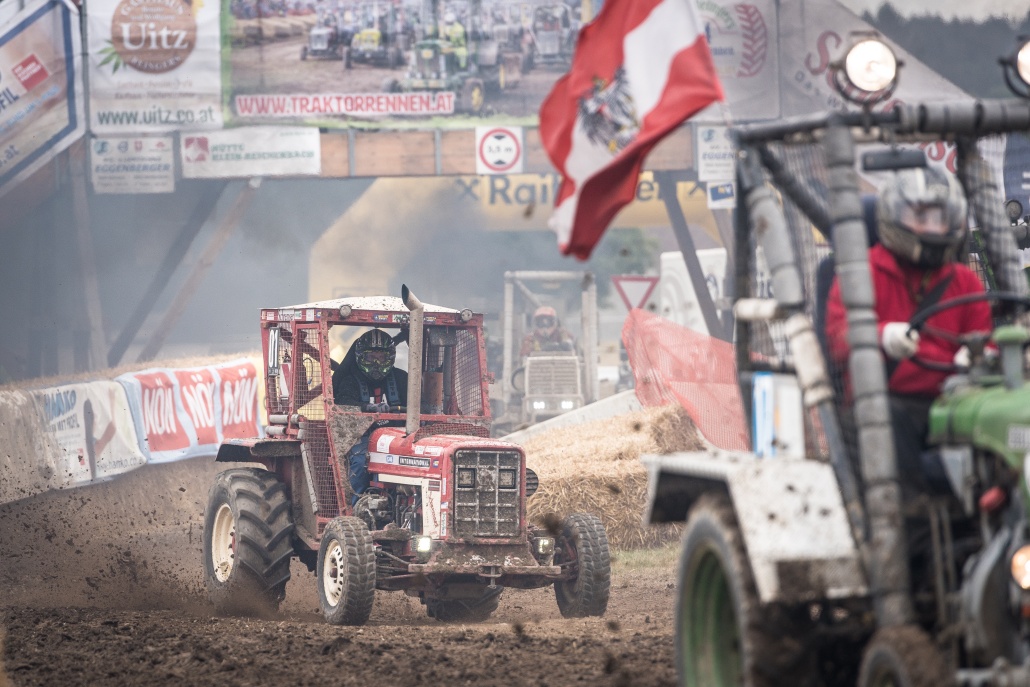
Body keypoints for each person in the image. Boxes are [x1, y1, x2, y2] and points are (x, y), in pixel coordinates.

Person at [824, 166, 991, 493]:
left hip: (953, 403)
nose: (932, 227)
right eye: (921, 217)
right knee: (888, 417)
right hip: (883, 404)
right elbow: (837, 339)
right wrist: (881, 336)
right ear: (893, 216)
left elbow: (985, 342)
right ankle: (911, 515)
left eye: (940, 218)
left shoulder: (965, 281)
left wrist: (979, 357)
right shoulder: (862, 272)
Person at [332, 329, 408, 503]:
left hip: (400, 437)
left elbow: (421, 404)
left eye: (381, 357)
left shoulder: (401, 378)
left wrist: (399, 410)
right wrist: (367, 407)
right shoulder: (350, 380)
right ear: (360, 357)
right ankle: (354, 507)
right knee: (360, 462)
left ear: (390, 357)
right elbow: (343, 402)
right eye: (371, 357)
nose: (376, 362)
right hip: (360, 436)